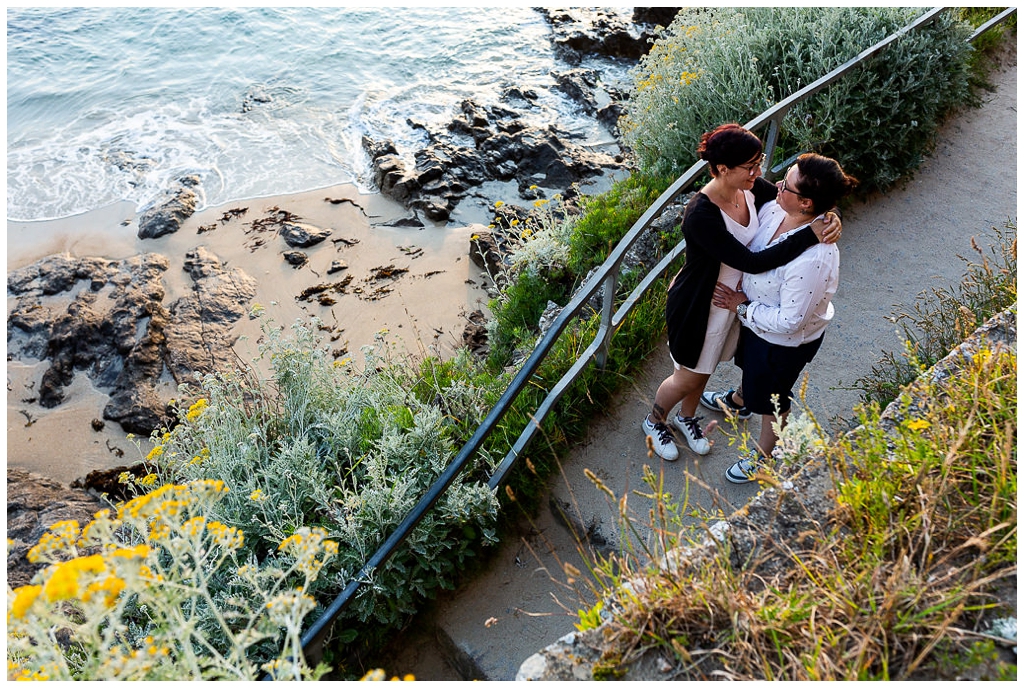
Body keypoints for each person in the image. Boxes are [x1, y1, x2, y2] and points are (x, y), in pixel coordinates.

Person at [642, 123, 841, 461]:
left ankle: (686, 417)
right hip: (701, 303)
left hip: (733, 304)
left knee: (707, 368)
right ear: (723, 170)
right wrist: (812, 234)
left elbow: (801, 202)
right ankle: (654, 420)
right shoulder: (701, 215)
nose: (759, 172)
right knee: (686, 375)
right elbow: (751, 261)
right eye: (750, 166)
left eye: (758, 163)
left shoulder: (750, 188)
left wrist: (829, 216)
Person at [708, 153, 858, 483]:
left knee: (775, 397)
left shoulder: (815, 258)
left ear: (806, 202)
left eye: (785, 185)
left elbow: (791, 322)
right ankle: (740, 400)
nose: (776, 185)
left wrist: (741, 307)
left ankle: (766, 452)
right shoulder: (778, 207)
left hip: (782, 342)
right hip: (758, 324)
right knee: (749, 368)